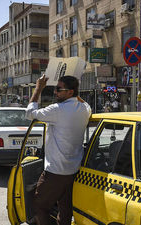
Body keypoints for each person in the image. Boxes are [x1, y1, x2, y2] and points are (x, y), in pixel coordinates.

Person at [26, 75, 91, 225]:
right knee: (65, 208)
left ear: (70, 92)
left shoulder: (57, 109)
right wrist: (76, 94)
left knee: (39, 206)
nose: (55, 92)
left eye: (59, 89)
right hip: (73, 169)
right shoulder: (84, 109)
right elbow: (85, 103)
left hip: (55, 171)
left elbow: (30, 114)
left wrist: (38, 88)